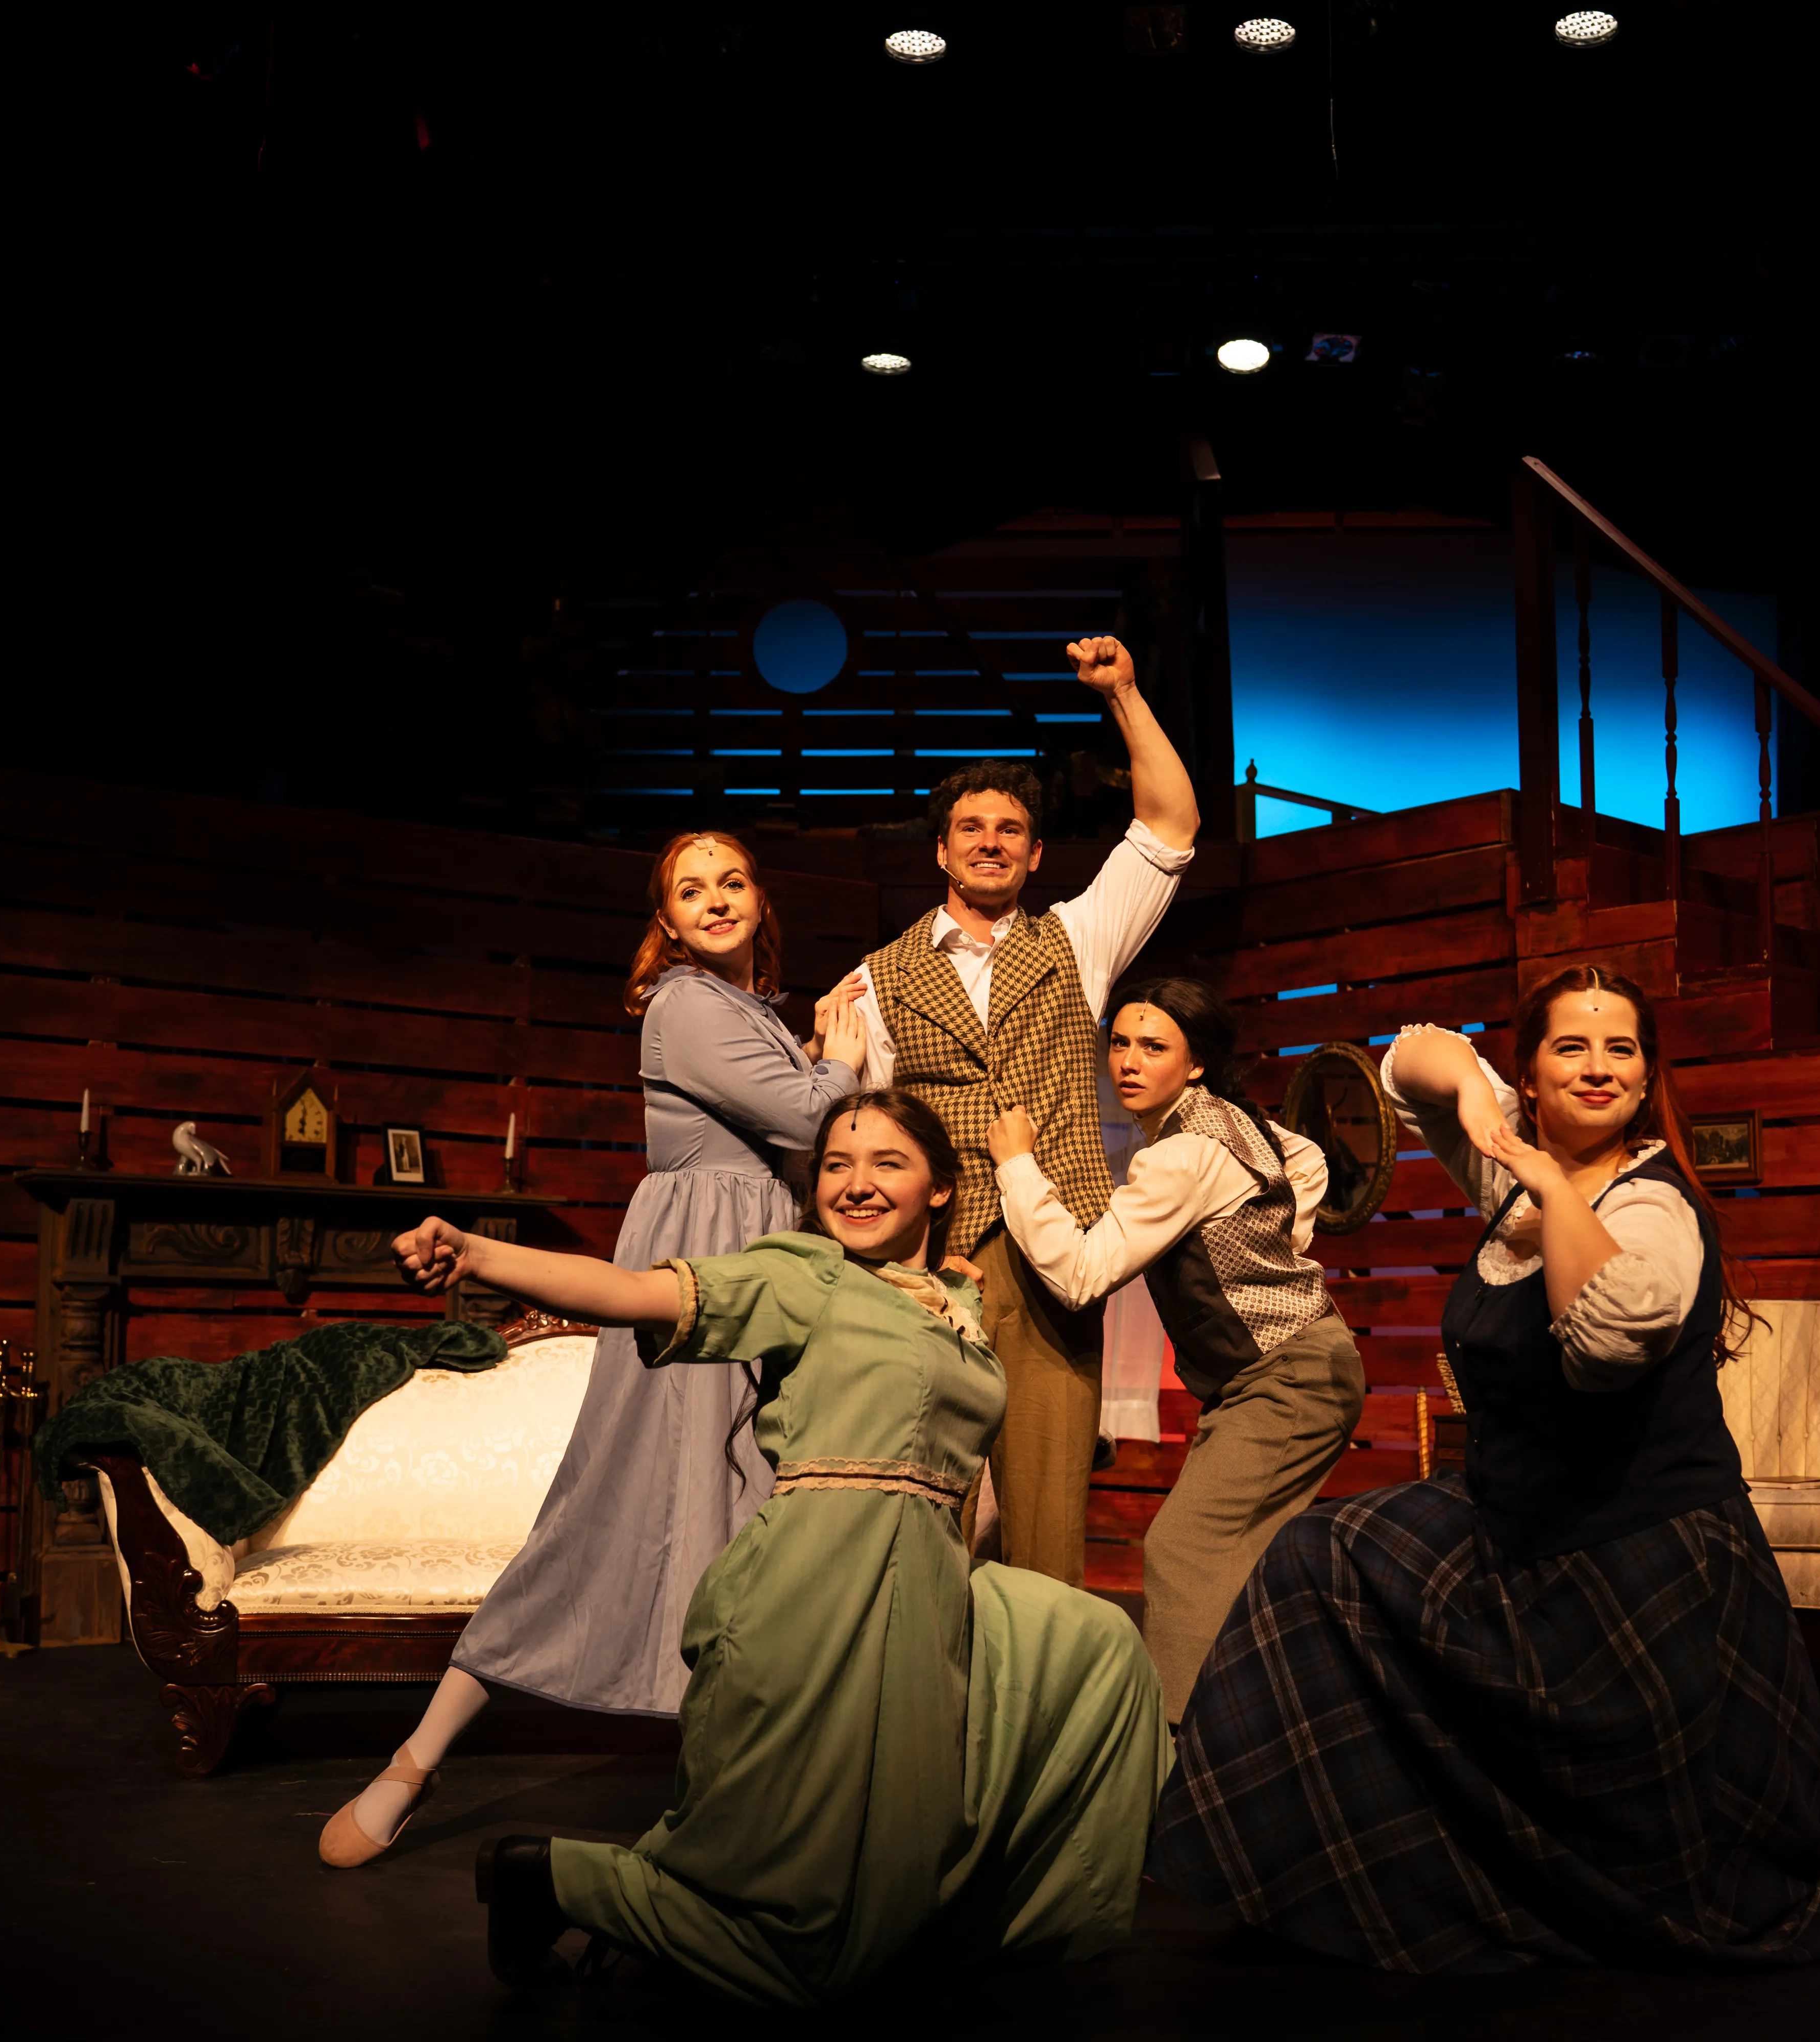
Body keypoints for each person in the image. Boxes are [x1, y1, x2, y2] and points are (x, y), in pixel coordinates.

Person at [1152, 964, 1820, 1973]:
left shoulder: (1652, 1213)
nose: (1598, 1068)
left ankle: (1797, 1848)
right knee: (1317, 1558)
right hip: (1519, 1525)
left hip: (1637, 1561)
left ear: (1647, 1079)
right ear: (1534, 1074)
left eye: (1622, 1049)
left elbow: (1604, 1351)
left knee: (1667, 1857)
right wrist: (1478, 1101)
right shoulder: (1509, 1151)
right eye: (1571, 1047)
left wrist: (1550, 1187)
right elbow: (1407, 1056)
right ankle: (1300, 1855)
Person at [391, 1090, 1171, 2006]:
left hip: (925, 1586)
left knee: (1099, 1650)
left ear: (941, 1189)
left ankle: (993, 1899)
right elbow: (636, 1290)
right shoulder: (805, 1277)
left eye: (887, 1163)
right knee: (805, 1937)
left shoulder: (957, 1302)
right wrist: (479, 1252)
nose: (856, 1183)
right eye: (836, 1166)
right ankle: (550, 1879)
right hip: (816, 1583)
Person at [316, 830, 867, 1868]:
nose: (715, 900)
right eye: (690, 889)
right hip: (696, 1267)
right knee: (610, 1507)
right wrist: (836, 1053)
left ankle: (744, 1794)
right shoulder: (687, 1006)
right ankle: (413, 1760)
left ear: (761, 901)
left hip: (768, 1271)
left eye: (733, 882)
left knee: (752, 1526)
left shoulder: (756, 1012)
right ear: (664, 920)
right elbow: (807, 1113)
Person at [846, 633, 1200, 1586]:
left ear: (1036, 853)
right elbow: (865, 1144)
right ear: (941, 849)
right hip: (936, 1266)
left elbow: (1170, 826)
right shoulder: (878, 983)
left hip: (1053, 1264)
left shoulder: (1076, 941)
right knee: (928, 1520)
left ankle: (1039, 1725)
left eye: (1009, 830)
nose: (991, 843)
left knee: (1048, 1527)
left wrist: (1124, 694)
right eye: (972, 828)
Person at [983, 976, 1364, 1720]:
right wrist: (1277, 1243)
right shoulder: (1240, 1124)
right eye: (1120, 1042)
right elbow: (1308, 1162)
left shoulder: (1181, 1155)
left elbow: (1081, 1274)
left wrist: (1015, 1164)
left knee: (1182, 1551)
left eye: (1153, 1046)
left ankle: (1177, 1753)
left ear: (1194, 1063)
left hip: (1286, 1378)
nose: (1128, 1060)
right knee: (1246, 1568)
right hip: (1295, 1368)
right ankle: (1266, 1729)